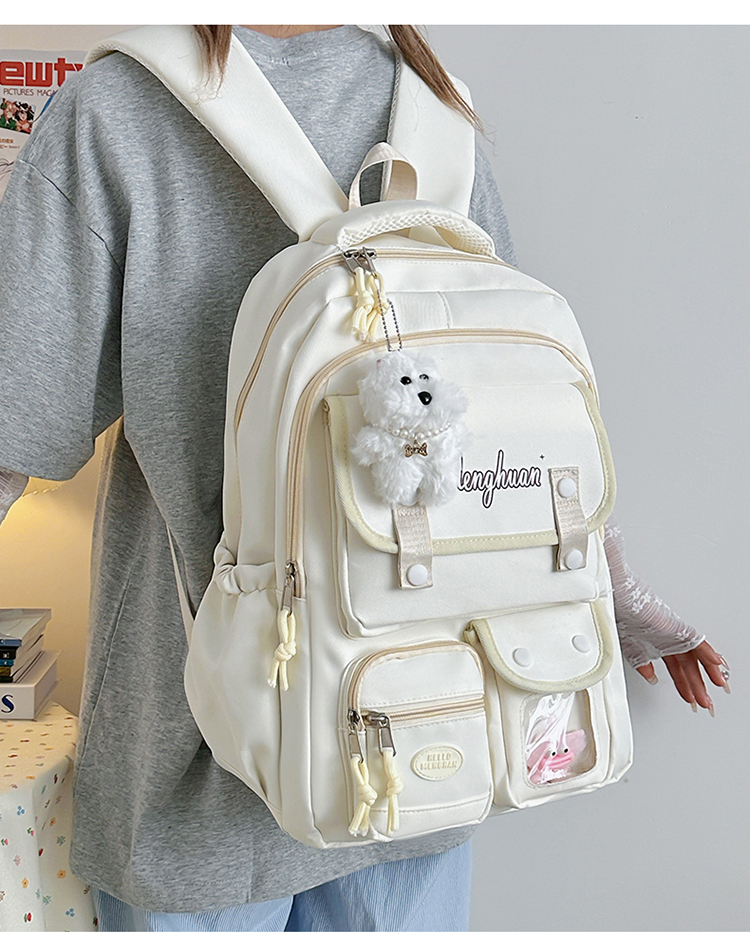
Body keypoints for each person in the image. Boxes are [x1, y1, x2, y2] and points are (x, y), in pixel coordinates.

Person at [0, 24, 731, 933]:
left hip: (199, 768)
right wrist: (610, 592)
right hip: (424, 743)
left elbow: (13, 419)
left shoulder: (116, 112)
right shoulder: (438, 114)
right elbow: (502, 420)